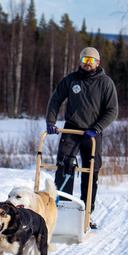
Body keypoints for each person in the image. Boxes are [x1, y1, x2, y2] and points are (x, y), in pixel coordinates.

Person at [45, 47, 118, 228]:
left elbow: (112, 111)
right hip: (71, 130)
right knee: (64, 169)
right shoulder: (71, 80)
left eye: (91, 60)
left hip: (92, 134)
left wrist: (97, 128)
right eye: (85, 59)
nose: (87, 63)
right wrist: (51, 122)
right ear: (80, 61)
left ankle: (86, 214)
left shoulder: (106, 83)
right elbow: (55, 100)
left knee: (91, 172)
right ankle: (62, 210)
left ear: (97, 63)